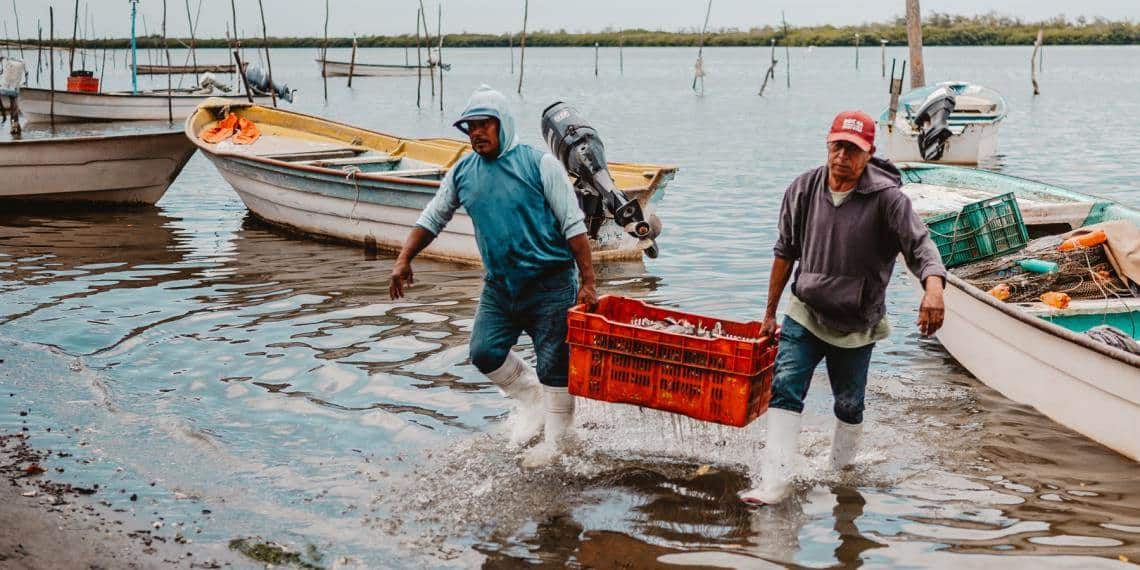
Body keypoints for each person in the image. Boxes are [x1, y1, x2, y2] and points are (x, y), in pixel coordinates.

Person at [740, 110, 947, 505]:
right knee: (784, 387)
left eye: (853, 150)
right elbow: (784, 253)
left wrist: (933, 290)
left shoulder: (889, 201)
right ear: (827, 144)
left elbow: (921, 248)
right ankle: (774, 483)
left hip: (857, 320)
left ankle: (841, 471)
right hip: (805, 308)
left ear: (869, 154)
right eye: (837, 147)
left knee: (849, 404)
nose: (842, 158)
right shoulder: (803, 189)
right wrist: (769, 313)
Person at [389, 85, 597, 467]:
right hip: (500, 286)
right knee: (483, 352)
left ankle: (560, 442)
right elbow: (432, 218)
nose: (477, 133)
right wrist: (404, 258)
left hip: (550, 282)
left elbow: (573, 225)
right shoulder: (463, 172)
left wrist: (587, 281)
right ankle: (530, 399)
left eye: (485, 125)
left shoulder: (539, 164)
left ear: (504, 125)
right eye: (470, 127)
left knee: (554, 367)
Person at [0, 57, 25, 135]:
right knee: (14, 110)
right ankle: (15, 129)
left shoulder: (9, 77)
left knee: (13, 111)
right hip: (13, 90)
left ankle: (14, 128)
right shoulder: (14, 80)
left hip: (9, 89)